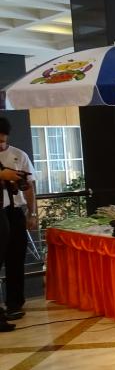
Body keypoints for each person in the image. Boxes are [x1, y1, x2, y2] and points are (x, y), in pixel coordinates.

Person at [0, 117, 37, 324]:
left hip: (15, 212)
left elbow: (29, 186)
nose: (1, 145)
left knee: (16, 259)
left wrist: (32, 213)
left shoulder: (19, 155)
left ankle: (14, 303)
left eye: (3, 141)